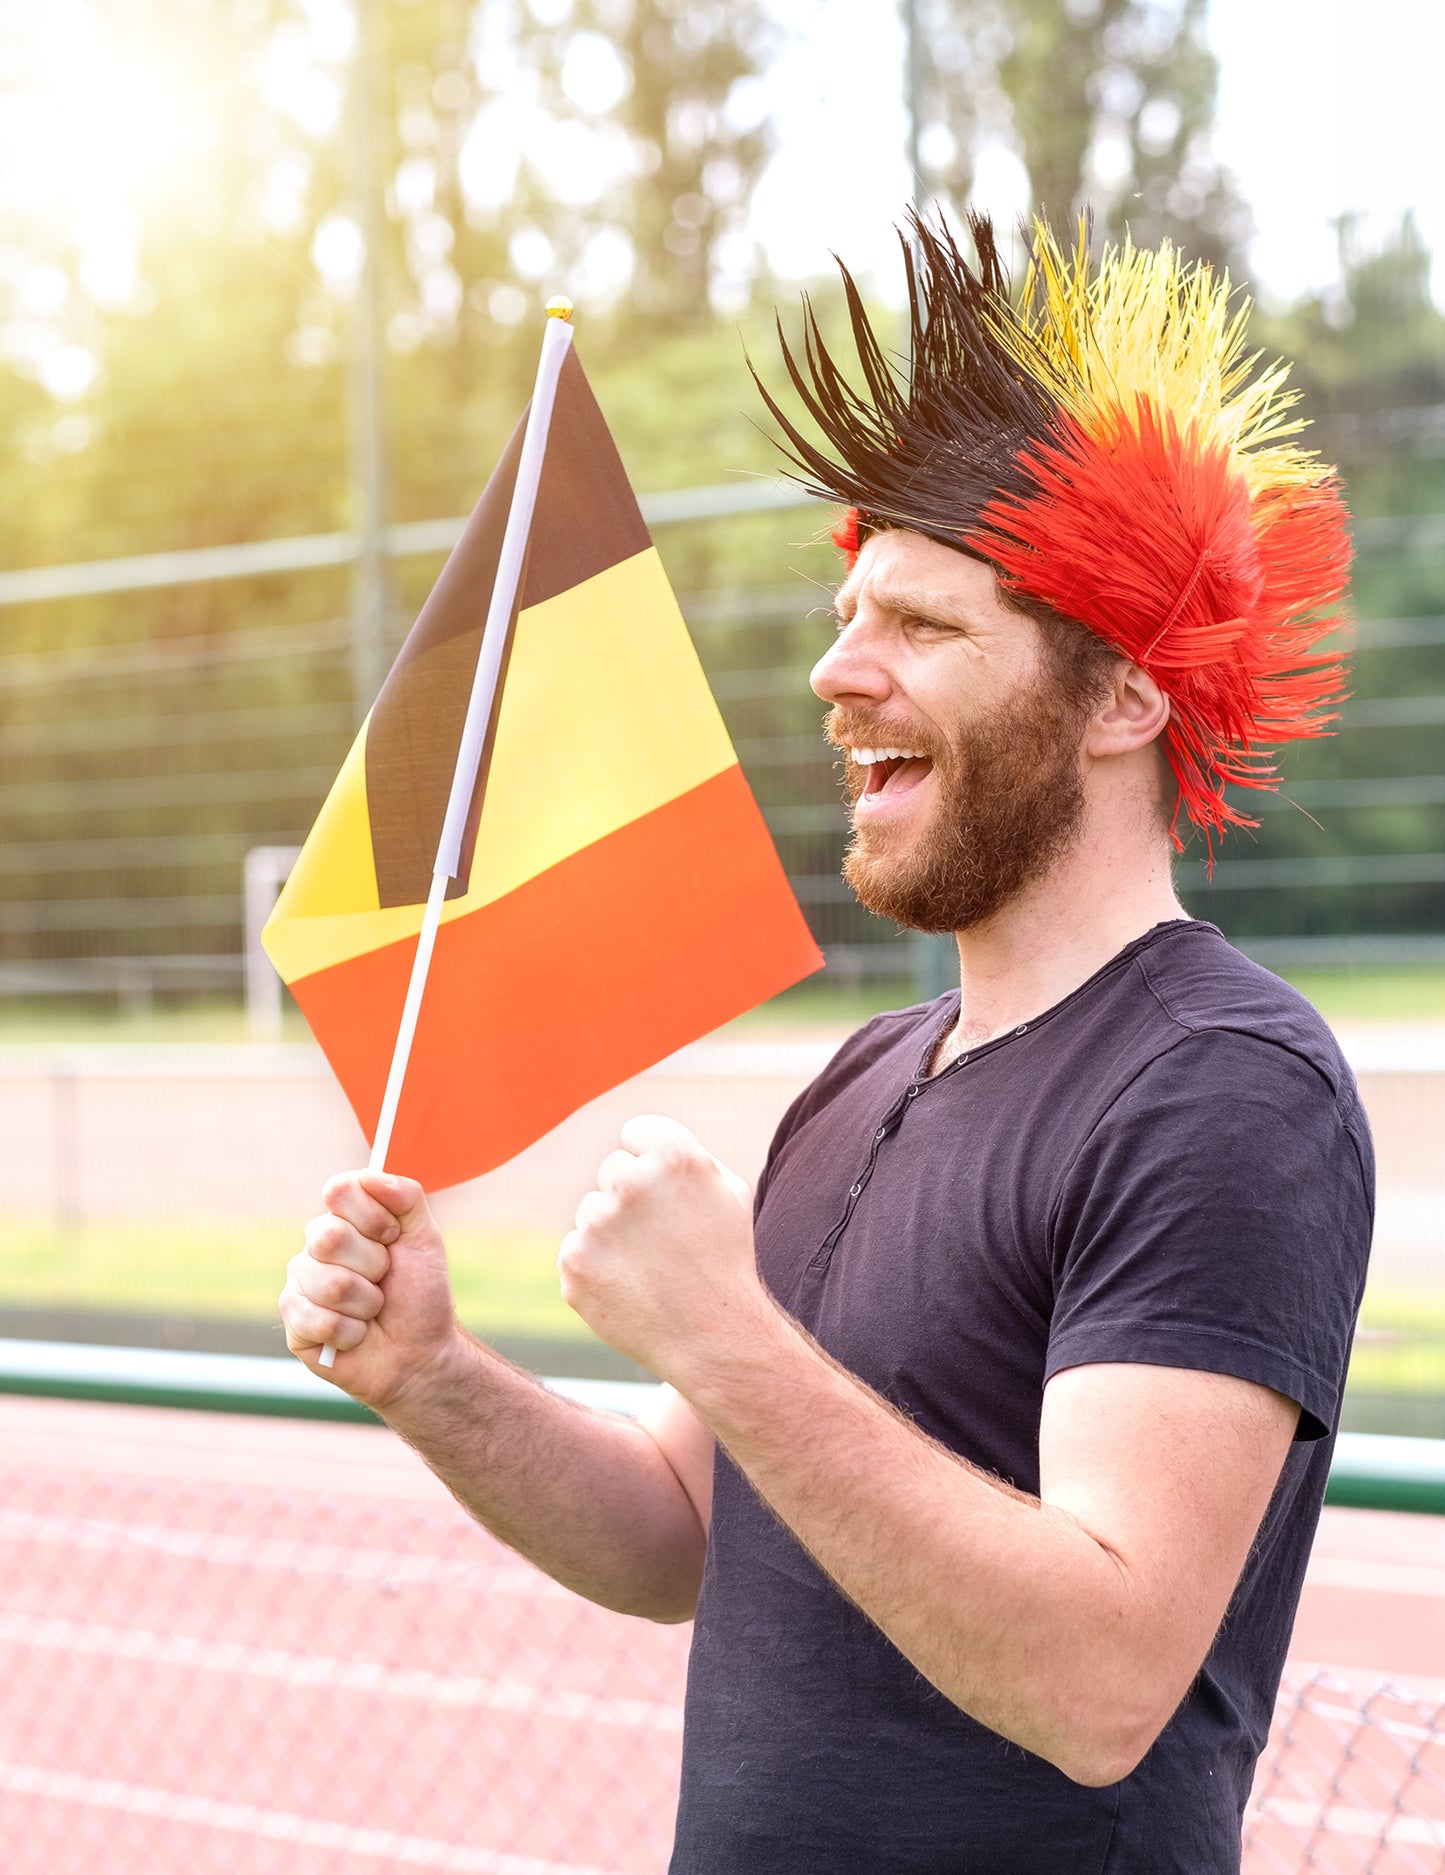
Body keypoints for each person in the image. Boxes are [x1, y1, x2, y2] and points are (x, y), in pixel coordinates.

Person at [279, 215, 1373, 1873]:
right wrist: (433, 1380)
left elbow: (1099, 1678)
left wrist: (722, 1330)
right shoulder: (863, 1077)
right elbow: (680, 1541)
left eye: (921, 629)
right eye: (848, 611)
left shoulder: (1222, 1086)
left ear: (1121, 699)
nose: (833, 670)